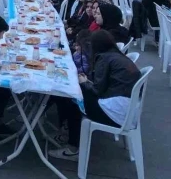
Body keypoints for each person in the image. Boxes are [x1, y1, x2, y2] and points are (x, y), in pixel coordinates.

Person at [50, 30, 141, 161]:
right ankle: (66, 132)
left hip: (115, 111)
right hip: (126, 108)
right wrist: (87, 82)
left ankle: (72, 147)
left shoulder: (103, 58)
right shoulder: (115, 55)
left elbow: (97, 90)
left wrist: (84, 82)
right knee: (75, 93)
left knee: (73, 96)